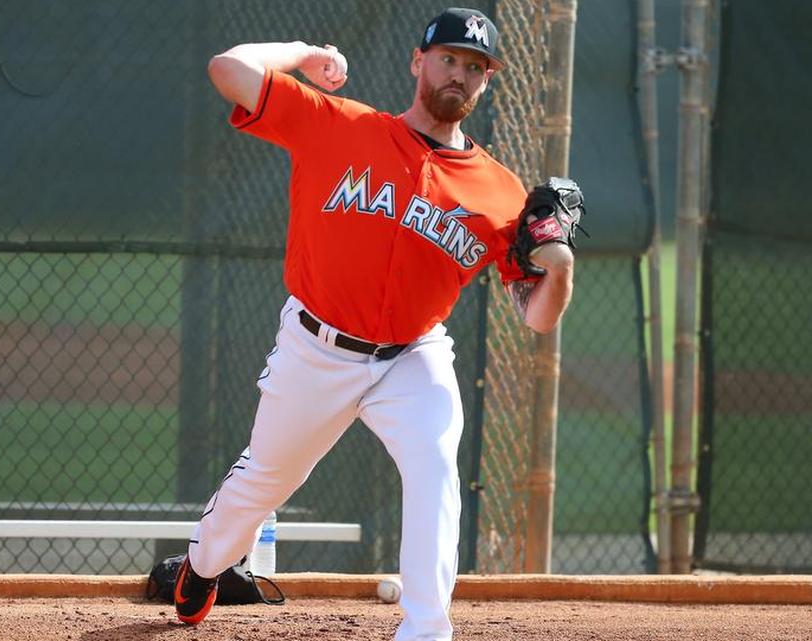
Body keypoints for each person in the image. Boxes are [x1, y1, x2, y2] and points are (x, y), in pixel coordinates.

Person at [174, 8, 577, 639]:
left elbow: (537, 318)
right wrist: (304, 54)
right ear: (418, 62)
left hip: (413, 355)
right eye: (448, 58)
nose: (460, 75)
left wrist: (560, 270)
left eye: (476, 67)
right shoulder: (339, 125)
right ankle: (204, 563)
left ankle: (425, 630)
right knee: (266, 481)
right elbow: (228, 69)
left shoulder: (501, 193)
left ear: (487, 82)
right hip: (317, 346)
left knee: (437, 468)